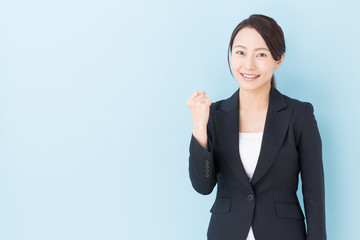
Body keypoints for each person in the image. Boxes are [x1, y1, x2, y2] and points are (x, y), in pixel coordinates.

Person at [186, 14, 326, 240]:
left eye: (261, 54)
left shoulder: (299, 115)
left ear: (278, 60)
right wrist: (199, 127)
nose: (248, 65)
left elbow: (314, 195)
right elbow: (203, 186)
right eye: (240, 52)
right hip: (226, 233)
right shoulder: (214, 115)